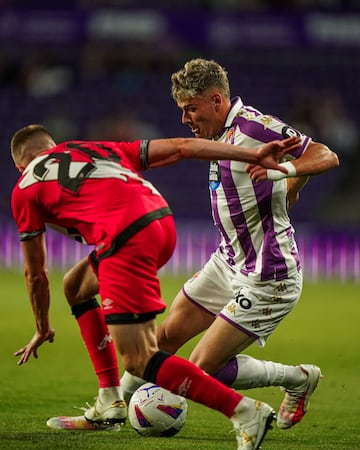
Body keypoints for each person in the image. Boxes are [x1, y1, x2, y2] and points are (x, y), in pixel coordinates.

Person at [46, 58, 339, 435]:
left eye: (191, 109)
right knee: (161, 342)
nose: (186, 119)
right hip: (227, 262)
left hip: (269, 276)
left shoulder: (253, 128)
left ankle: (298, 379)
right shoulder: (221, 135)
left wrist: (287, 173)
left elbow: (325, 155)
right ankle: (111, 411)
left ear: (217, 101)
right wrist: (288, 188)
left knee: (203, 369)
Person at [11, 124, 302, 449]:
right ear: (54, 146)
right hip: (160, 221)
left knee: (139, 359)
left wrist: (42, 325)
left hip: (125, 238)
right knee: (76, 285)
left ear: (21, 165)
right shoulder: (93, 149)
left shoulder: (25, 186)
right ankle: (110, 401)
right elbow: (182, 146)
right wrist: (252, 153)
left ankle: (244, 411)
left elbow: (35, 273)